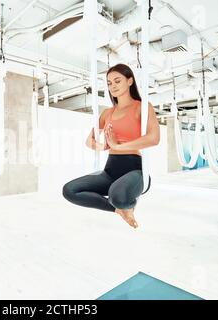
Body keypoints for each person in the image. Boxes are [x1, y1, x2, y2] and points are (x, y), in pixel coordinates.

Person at [62, 63, 160, 228]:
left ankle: (123, 204)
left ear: (129, 81)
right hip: (110, 171)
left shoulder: (142, 107)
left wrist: (118, 145)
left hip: (135, 171)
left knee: (117, 195)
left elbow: (153, 138)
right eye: (109, 83)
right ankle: (119, 210)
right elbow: (89, 141)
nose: (112, 86)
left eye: (117, 81)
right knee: (69, 190)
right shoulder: (107, 113)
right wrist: (102, 146)